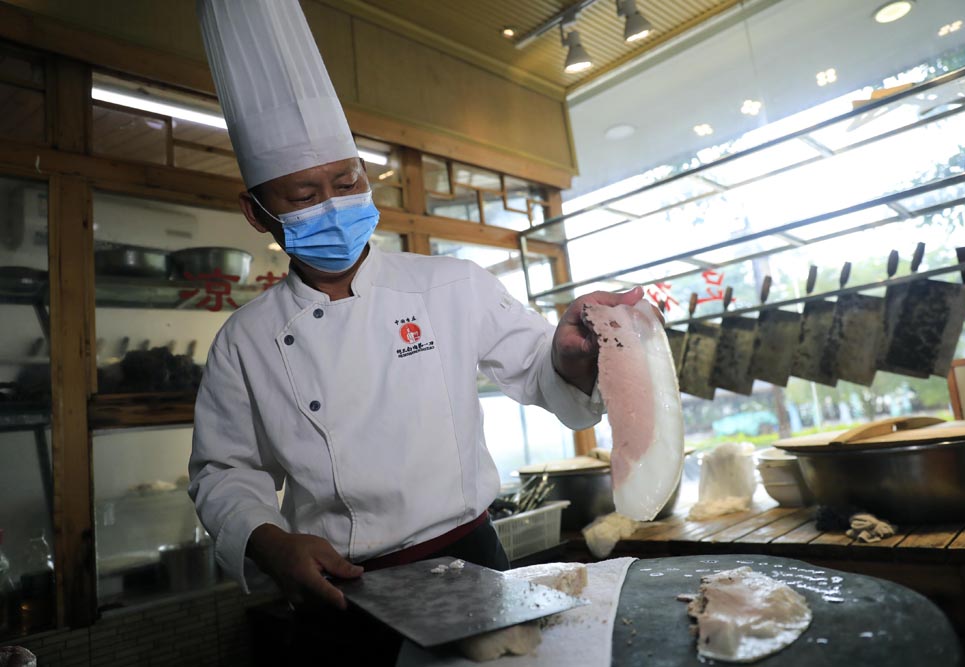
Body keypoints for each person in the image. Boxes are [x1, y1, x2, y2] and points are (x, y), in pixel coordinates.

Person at [188, 0, 642, 662]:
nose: (334, 206)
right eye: (303, 196)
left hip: (472, 563)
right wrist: (271, 542)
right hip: (336, 589)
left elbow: (537, 364)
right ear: (257, 213)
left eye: (347, 182)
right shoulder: (245, 340)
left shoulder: (449, 284)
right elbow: (223, 469)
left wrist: (571, 357)